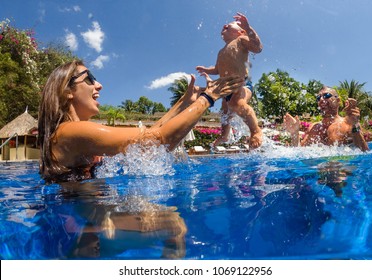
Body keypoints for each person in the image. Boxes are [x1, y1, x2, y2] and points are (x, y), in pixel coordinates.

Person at [38, 60, 244, 182]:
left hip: (86, 219)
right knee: (173, 226)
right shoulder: (71, 132)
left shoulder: (68, 132)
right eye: (89, 79)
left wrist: (182, 103)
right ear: (67, 91)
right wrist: (208, 98)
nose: (99, 85)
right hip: (83, 232)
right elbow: (159, 140)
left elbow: (146, 141)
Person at [195, 12, 263, 149]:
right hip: (227, 89)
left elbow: (258, 48)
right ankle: (224, 135)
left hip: (242, 84)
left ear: (240, 31)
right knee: (225, 113)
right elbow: (217, 69)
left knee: (237, 103)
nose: (225, 25)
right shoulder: (221, 52)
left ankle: (256, 131)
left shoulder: (242, 40)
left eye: (230, 25)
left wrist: (248, 28)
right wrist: (207, 70)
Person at [283, 86, 369, 151]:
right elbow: (299, 152)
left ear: (338, 101)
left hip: (341, 169)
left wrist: (355, 125)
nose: (321, 99)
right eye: (318, 98)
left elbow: (364, 151)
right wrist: (294, 133)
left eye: (326, 95)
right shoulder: (314, 127)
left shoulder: (348, 123)